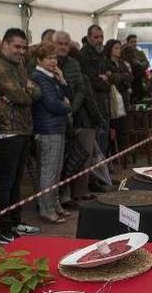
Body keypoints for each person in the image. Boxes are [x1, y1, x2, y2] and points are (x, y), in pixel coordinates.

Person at [0, 28, 41, 245]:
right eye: (17, 46)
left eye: (24, 47)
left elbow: (35, 92)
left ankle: (15, 222)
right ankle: (5, 229)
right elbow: (21, 95)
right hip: (5, 131)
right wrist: (23, 92)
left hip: (23, 128)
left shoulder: (19, 64)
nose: (21, 51)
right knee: (5, 182)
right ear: (5, 44)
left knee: (16, 181)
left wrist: (24, 92)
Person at [55, 31, 102, 203]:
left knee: (75, 158)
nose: (62, 47)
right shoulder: (45, 63)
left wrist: (71, 109)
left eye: (66, 44)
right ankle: (61, 196)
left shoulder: (74, 64)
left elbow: (81, 90)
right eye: (59, 43)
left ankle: (72, 194)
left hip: (73, 116)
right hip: (55, 119)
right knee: (60, 162)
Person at [30, 43, 72, 224]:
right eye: (49, 58)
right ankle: (46, 209)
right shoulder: (39, 77)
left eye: (55, 57)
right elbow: (52, 104)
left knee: (56, 170)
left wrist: (62, 80)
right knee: (48, 171)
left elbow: (67, 93)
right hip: (47, 129)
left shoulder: (52, 77)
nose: (53, 61)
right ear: (39, 60)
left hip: (56, 127)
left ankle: (55, 205)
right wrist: (67, 106)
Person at [80, 25, 111, 157]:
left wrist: (106, 78)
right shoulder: (85, 55)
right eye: (96, 37)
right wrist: (104, 81)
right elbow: (91, 80)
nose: (99, 40)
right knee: (98, 140)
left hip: (104, 102)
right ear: (89, 38)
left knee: (104, 138)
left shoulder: (102, 54)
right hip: (93, 105)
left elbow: (110, 75)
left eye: (101, 37)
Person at [104, 39, 131, 152]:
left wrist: (117, 76)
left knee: (124, 128)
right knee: (114, 128)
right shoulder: (106, 63)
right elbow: (109, 79)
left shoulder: (122, 63)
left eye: (119, 48)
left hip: (124, 98)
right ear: (110, 49)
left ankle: (123, 152)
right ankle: (115, 153)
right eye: (116, 48)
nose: (118, 50)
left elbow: (129, 77)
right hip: (113, 99)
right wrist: (120, 77)